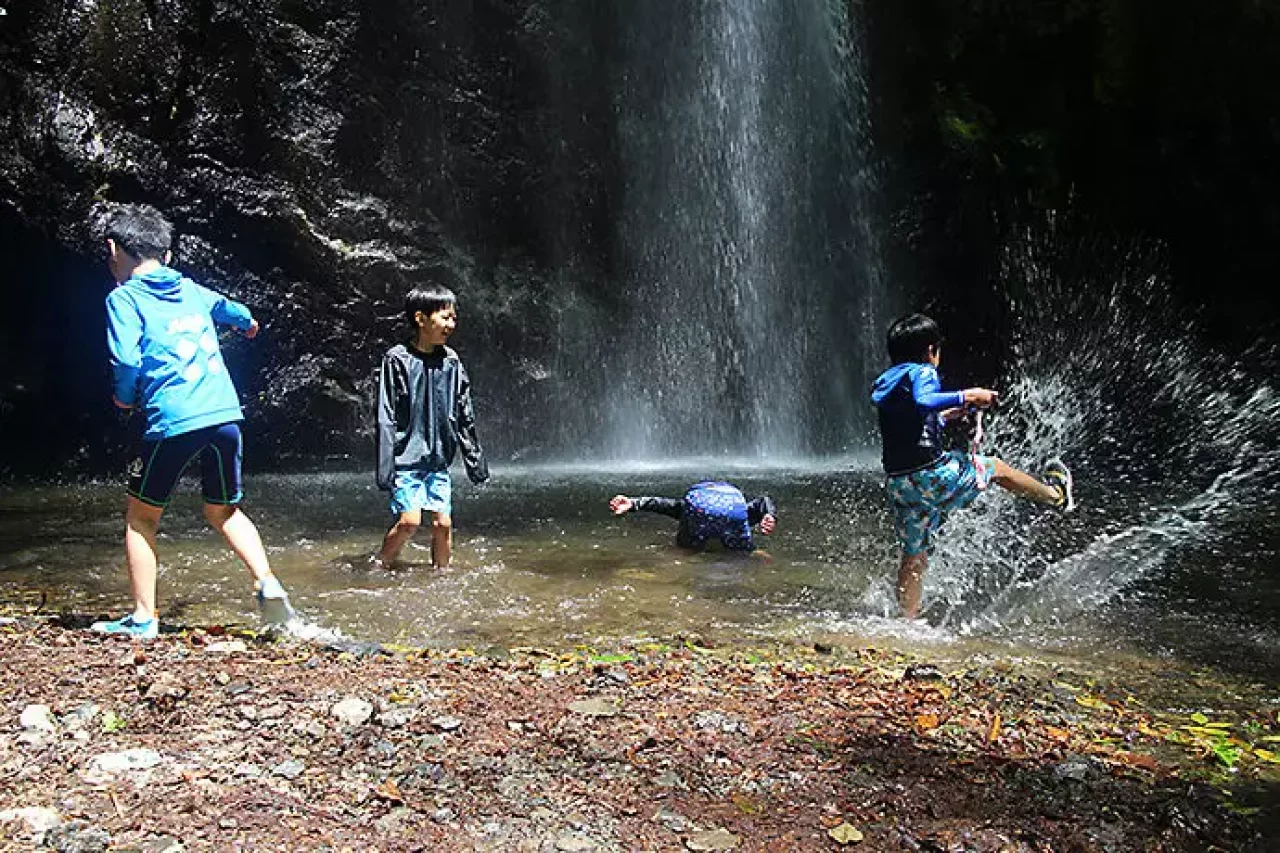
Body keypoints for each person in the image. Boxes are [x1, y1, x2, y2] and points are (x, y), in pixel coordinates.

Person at [92, 203, 289, 639]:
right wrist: (250, 324)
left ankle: (144, 617)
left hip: (172, 421)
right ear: (168, 252)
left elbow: (125, 358)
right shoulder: (191, 288)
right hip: (224, 416)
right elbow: (232, 310)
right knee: (224, 510)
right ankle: (267, 582)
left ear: (114, 249)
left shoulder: (123, 298)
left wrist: (124, 399)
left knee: (141, 517)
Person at [871, 313, 1074, 620]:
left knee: (914, 554)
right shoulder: (922, 372)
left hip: (900, 484)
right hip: (931, 474)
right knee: (996, 467)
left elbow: (923, 417)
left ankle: (906, 621)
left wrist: (958, 409)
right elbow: (925, 401)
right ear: (931, 350)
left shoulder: (889, 382)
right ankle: (1055, 496)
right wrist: (969, 394)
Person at [374, 283, 489, 569]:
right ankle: (379, 565)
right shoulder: (397, 359)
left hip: (437, 461)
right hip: (405, 459)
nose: (452, 323)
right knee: (409, 521)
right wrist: (385, 465)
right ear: (420, 318)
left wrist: (475, 461)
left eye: (453, 317)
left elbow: (464, 411)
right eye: (445, 317)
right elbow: (385, 414)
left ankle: (443, 576)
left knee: (443, 524)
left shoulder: (451, 361)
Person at [609, 482, 777, 552]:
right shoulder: (738, 507)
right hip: (734, 519)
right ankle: (757, 554)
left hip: (697, 519)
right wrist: (769, 514)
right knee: (743, 554)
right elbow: (764, 500)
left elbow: (660, 504)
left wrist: (633, 503)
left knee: (685, 551)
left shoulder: (691, 506)